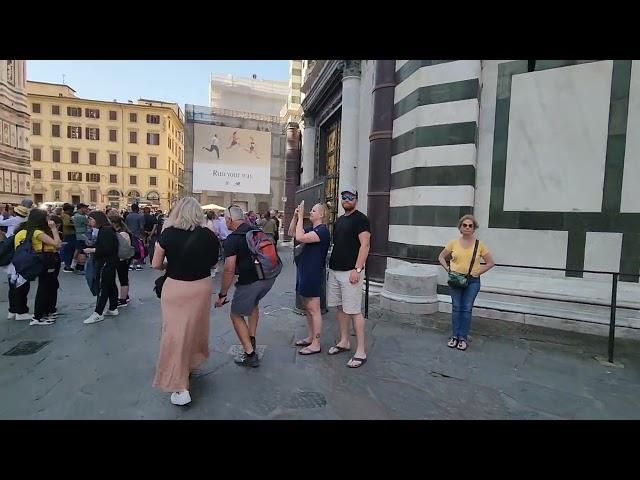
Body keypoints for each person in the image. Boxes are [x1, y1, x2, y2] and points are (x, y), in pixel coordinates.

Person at [152, 197, 220, 406]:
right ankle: (190, 363)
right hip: (201, 287)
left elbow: (156, 264)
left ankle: (179, 385)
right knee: (195, 329)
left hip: (176, 288)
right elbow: (213, 262)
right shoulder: (209, 235)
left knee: (174, 333)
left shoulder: (168, 234)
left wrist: (171, 264)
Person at [214, 205, 277, 367]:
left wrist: (222, 294)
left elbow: (229, 269)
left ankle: (250, 354)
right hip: (268, 277)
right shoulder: (256, 230)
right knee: (253, 304)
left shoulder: (232, 239)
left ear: (229, 219)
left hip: (250, 281)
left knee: (235, 314)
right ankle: (252, 337)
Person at [327, 184, 371, 368]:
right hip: (336, 270)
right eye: (344, 196)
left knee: (354, 310)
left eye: (350, 196)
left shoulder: (361, 220)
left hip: (351, 272)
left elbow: (365, 245)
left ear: (356, 199)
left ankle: (361, 350)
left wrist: (358, 269)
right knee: (340, 308)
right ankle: (344, 341)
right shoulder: (339, 221)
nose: (346, 199)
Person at [438, 215, 495, 351]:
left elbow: (491, 262)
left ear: (474, 228)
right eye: (465, 225)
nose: (467, 227)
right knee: (456, 307)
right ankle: (454, 336)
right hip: (455, 279)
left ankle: (462, 337)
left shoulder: (479, 245)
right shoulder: (453, 243)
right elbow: (441, 257)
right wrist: (448, 269)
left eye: (470, 225)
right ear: (460, 228)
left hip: (472, 281)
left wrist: (478, 272)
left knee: (467, 308)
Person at [288, 201, 330, 355]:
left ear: (321, 214)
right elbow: (292, 233)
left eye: (313, 210)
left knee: (314, 308)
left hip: (312, 274)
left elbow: (300, 236)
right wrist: (295, 217)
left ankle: (316, 343)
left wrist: (300, 217)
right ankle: (311, 337)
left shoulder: (322, 231)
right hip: (304, 272)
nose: (310, 212)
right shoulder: (313, 229)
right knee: (307, 307)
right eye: (310, 210)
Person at [9, 209, 62, 325]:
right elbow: (57, 244)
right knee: (44, 288)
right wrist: (54, 229)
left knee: (23, 287)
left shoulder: (21, 232)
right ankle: (38, 316)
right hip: (44, 261)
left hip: (25, 262)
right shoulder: (37, 233)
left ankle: (25, 312)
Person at [82, 211, 120, 325]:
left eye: (91, 219)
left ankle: (98, 313)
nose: (89, 222)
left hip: (105, 262)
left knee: (102, 286)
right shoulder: (108, 229)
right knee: (110, 284)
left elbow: (106, 249)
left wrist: (92, 250)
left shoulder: (105, 231)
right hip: (111, 262)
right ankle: (113, 308)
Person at [109, 215, 133, 307]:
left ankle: (123, 299)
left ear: (115, 223)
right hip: (125, 258)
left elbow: (120, 247)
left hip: (122, 258)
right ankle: (125, 296)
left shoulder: (121, 234)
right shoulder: (124, 232)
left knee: (123, 278)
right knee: (123, 277)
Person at [125, 203, 145, 271]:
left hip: (130, 235)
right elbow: (142, 227)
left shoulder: (128, 216)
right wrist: (143, 235)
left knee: (131, 249)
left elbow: (126, 226)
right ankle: (138, 264)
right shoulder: (140, 216)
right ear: (138, 209)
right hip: (138, 235)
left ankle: (131, 264)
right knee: (139, 249)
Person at [72, 203, 89, 273]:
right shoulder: (82, 217)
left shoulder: (75, 215)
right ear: (81, 208)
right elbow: (89, 223)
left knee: (78, 250)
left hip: (78, 235)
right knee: (82, 251)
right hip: (82, 235)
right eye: (86, 208)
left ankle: (74, 265)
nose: (87, 210)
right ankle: (80, 268)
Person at [60, 203, 76, 272]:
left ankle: (67, 265)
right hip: (69, 234)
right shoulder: (66, 216)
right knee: (69, 250)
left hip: (66, 234)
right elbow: (66, 224)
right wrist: (75, 224)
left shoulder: (63, 215)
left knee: (67, 250)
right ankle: (68, 266)